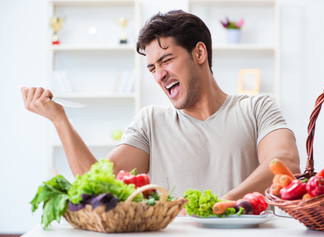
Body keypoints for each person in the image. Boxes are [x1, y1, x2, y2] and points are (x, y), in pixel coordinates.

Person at [21, 10, 300, 200]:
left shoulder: (256, 108)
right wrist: (59, 120)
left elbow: (286, 163)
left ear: (199, 52)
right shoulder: (151, 122)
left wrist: (221, 206)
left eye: (166, 60)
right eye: (152, 67)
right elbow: (98, 185)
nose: (159, 75)